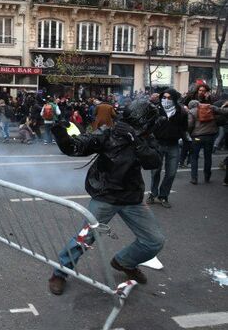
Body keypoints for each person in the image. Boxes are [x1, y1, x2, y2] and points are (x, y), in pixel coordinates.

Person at [47, 99, 165, 295]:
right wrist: (60, 132)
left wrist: (136, 141)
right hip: (106, 197)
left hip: (132, 198)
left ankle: (124, 262)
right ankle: (59, 273)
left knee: (154, 241)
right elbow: (74, 148)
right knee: (83, 239)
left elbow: (152, 161)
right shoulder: (108, 134)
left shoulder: (145, 138)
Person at [146, 89, 187, 208]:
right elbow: (148, 126)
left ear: (174, 99)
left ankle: (163, 195)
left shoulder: (181, 112)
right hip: (158, 144)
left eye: (169, 98)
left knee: (171, 173)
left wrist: (181, 137)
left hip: (173, 145)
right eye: (164, 97)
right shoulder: (155, 110)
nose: (166, 100)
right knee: (155, 172)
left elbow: (184, 128)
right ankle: (153, 194)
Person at [187, 99, 228, 184]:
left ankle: (194, 178)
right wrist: (223, 106)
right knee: (208, 157)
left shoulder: (192, 111)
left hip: (197, 137)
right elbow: (223, 112)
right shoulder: (210, 107)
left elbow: (190, 125)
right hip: (210, 136)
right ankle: (207, 177)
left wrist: (190, 134)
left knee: (194, 157)